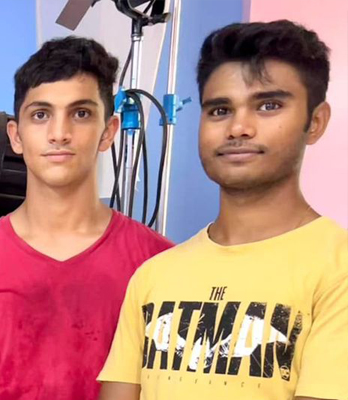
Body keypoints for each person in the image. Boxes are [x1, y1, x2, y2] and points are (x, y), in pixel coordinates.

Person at [98, 20, 347, 400]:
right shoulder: (154, 276)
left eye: (268, 105)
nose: (238, 128)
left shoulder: (338, 269)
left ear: (315, 122)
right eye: (219, 110)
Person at [0, 37, 173, 400]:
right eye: (41, 115)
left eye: (81, 113)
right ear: (16, 136)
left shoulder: (160, 265)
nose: (59, 134)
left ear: (108, 131)